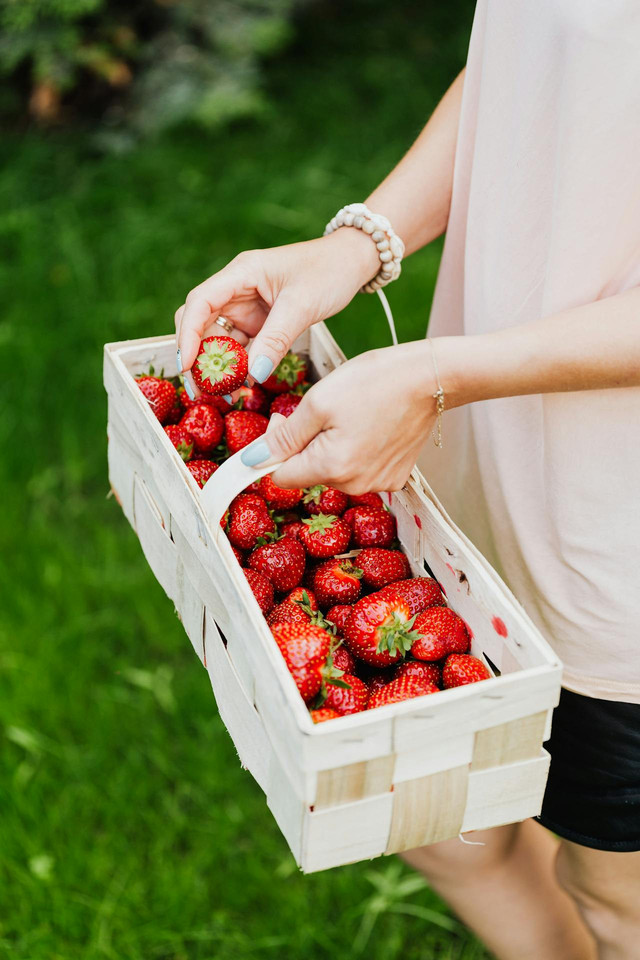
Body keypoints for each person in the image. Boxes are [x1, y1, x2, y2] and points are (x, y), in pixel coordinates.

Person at [175, 2, 640, 957]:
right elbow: (531, 74)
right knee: (445, 831)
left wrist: (445, 374)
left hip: (618, 550)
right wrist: (359, 244)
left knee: (614, 890)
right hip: (472, 465)